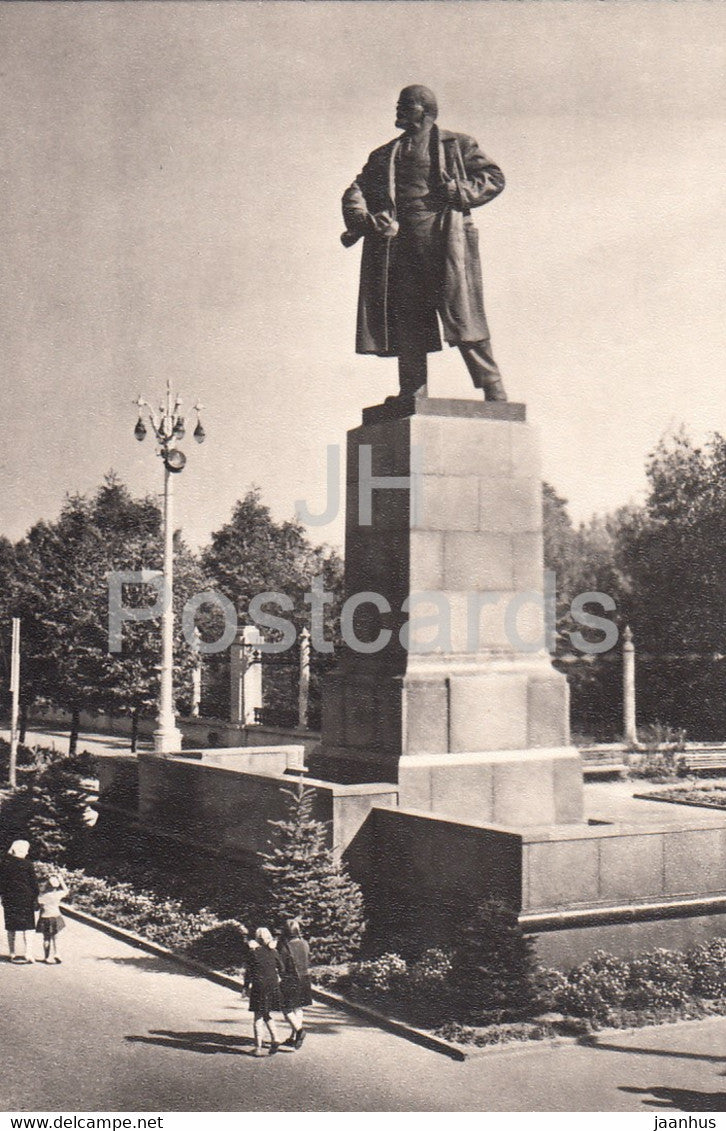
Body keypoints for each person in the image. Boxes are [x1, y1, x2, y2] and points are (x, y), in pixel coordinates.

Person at [342, 84, 507, 404]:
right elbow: (356, 191)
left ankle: (493, 386)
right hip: (400, 247)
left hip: (445, 241)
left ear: (425, 110)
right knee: (408, 319)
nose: (398, 111)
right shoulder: (384, 155)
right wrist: (362, 218)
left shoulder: (457, 144)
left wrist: (460, 192)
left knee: (464, 317)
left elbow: (493, 177)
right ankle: (413, 389)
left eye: (406, 105)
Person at [245, 927, 284, 1057]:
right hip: (272, 985)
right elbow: (281, 968)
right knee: (266, 1013)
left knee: (258, 1016)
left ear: (257, 938)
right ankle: (276, 1038)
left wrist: (245, 987)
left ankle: (258, 1047)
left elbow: (248, 972)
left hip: (259, 986)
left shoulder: (253, 952)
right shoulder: (274, 951)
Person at [0, 840, 40, 963]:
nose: (27, 852)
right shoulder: (28, 865)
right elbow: (34, 884)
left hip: (9, 899)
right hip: (25, 899)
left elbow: (1, 882)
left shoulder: (4, 864)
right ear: (22, 850)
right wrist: (36, 896)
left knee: (11, 927)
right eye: (26, 849)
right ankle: (28, 953)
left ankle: (12, 953)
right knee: (28, 927)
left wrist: (2, 896)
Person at [279, 919, 312, 1049]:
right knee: (298, 1007)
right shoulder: (305, 943)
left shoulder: (285, 946)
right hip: (304, 977)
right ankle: (294, 1037)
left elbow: (281, 965)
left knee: (286, 1008)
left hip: (291, 978)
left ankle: (299, 1031)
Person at [35, 873, 68, 964]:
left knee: (46, 938)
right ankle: (57, 953)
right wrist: (61, 880)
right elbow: (66, 891)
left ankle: (46, 957)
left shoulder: (41, 896)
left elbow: (36, 908)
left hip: (44, 918)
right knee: (56, 937)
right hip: (56, 916)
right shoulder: (57, 895)